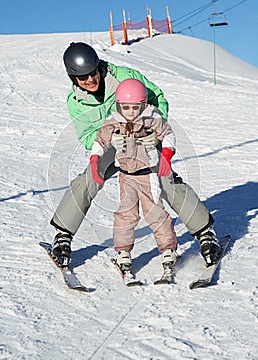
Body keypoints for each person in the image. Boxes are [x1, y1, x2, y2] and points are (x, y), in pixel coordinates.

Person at [50, 42, 221, 267]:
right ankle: (63, 236)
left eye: (92, 73)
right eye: (83, 78)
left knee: (165, 179)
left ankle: (205, 233)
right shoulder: (76, 102)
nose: (90, 80)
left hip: (144, 137)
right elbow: (86, 136)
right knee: (91, 177)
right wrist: (111, 139)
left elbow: (157, 97)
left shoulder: (125, 77)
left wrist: (154, 128)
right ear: (73, 78)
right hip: (113, 143)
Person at [90, 78, 178, 278]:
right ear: (119, 105)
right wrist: (95, 159)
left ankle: (168, 250)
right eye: (126, 107)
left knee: (156, 213)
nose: (130, 111)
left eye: (135, 107)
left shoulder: (151, 119)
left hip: (148, 176)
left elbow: (169, 135)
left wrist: (166, 155)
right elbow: (100, 140)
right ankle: (123, 252)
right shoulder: (114, 121)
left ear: (144, 105)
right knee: (126, 214)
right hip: (126, 177)